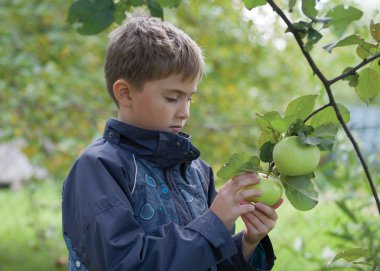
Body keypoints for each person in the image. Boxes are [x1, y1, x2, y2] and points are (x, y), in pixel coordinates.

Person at [62, 15, 281, 271]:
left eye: (189, 99)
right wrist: (214, 223)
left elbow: (209, 261)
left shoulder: (198, 171)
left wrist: (247, 244)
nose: (185, 112)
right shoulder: (98, 168)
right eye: (172, 98)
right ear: (125, 93)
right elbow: (124, 264)